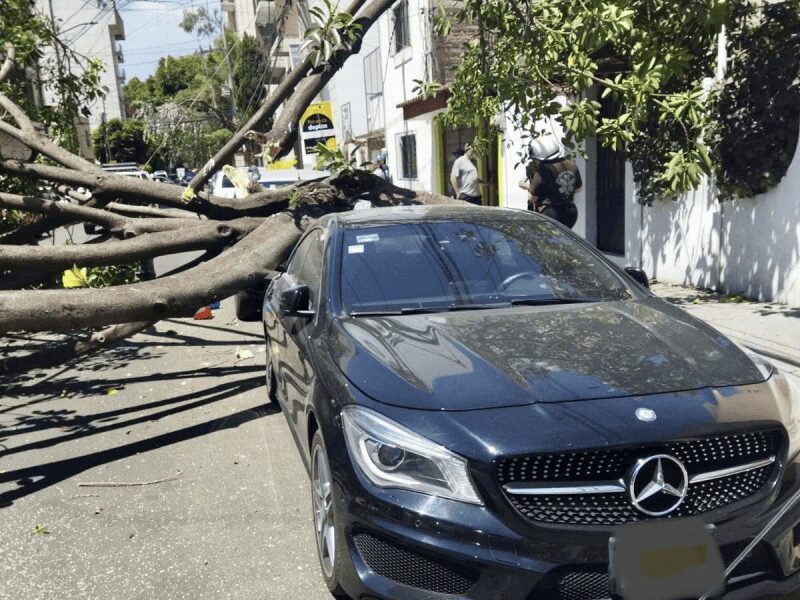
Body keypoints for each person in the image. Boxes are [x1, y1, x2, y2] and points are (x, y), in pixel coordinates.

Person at [519, 134, 582, 228]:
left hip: (551, 213)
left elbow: (532, 198)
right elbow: (578, 189)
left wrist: (529, 187)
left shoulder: (543, 169)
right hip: (571, 211)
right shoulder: (571, 164)